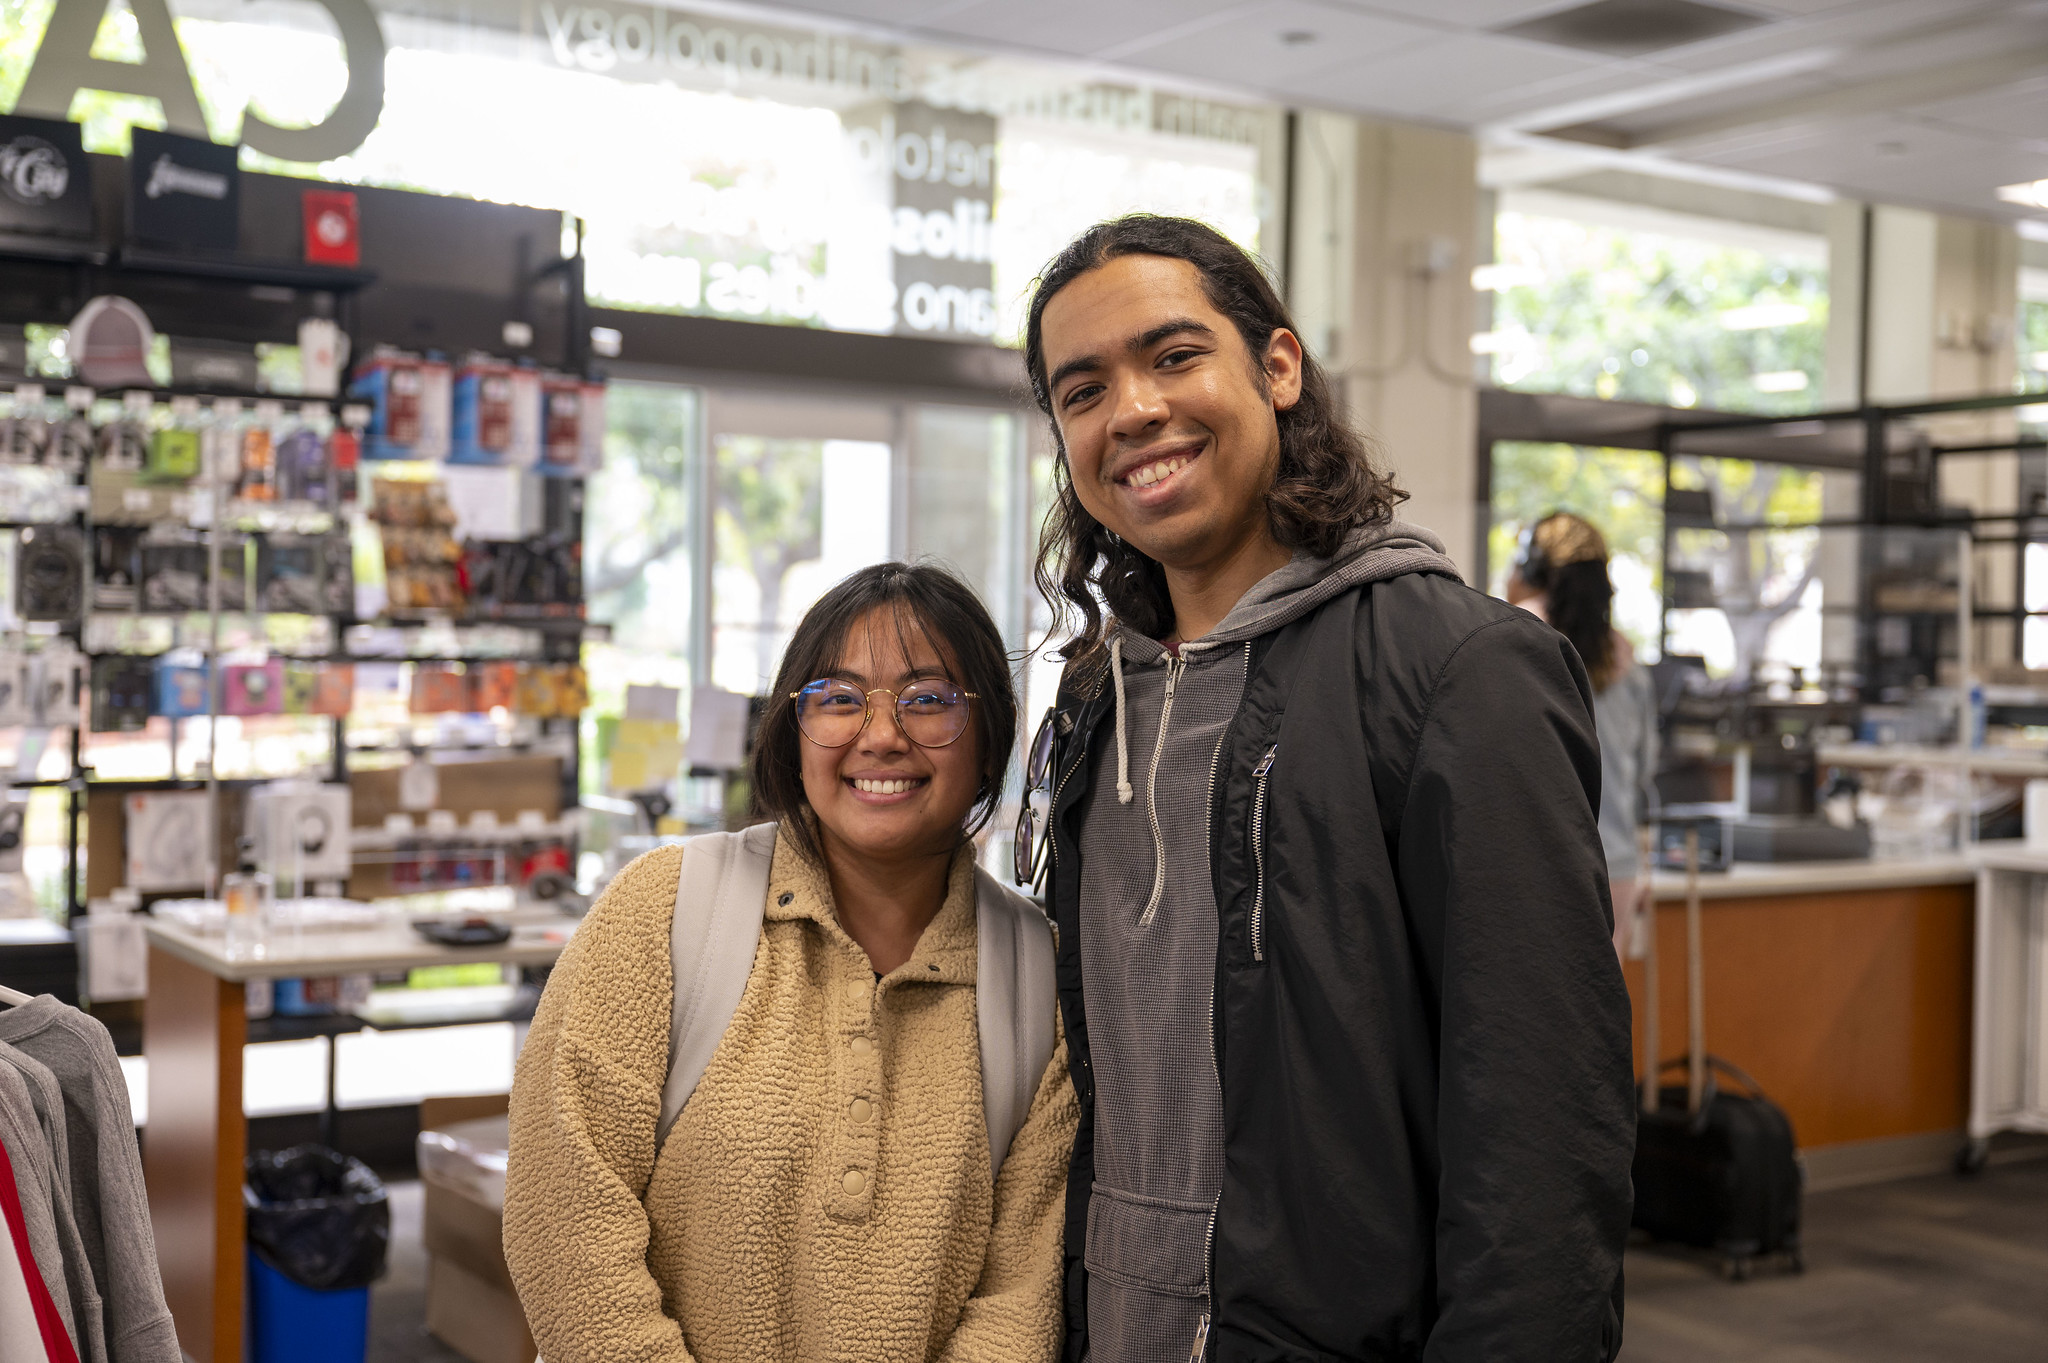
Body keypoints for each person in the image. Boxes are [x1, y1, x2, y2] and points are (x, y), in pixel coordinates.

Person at [1014, 215, 1634, 1361]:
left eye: (1173, 355)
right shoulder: (1096, 698)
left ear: (1278, 367)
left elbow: (1545, 1126)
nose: (1133, 410)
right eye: (1082, 390)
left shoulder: (1455, 669)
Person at [505, 562, 1077, 1363]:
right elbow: (563, 1217)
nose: (881, 735)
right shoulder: (665, 910)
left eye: (928, 699)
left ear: (990, 742)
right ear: (791, 730)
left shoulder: (1038, 979)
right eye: (839, 698)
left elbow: (1023, 1296)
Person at [1507, 512, 1660, 960]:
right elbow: (1643, 769)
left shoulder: (1512, 643)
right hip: (1617, 867)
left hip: (1537, 868)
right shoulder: (1628, 665)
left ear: (1533, 571)